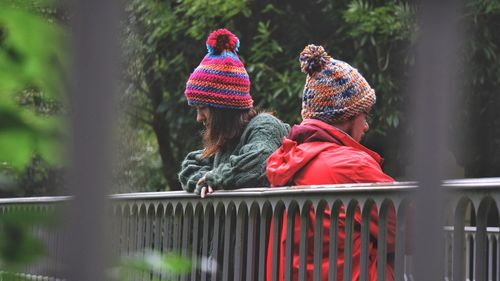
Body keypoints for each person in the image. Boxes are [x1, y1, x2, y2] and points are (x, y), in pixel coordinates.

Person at [266, 45, 396, 281]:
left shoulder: (288, 161)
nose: (366, 126)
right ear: (346, 117)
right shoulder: (352, 166)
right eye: (364, 115)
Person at [178, 28, 290, 197]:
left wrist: (217, 178)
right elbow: (191, 165)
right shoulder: (228, 139)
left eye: (202, 108)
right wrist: (203, 180)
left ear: (223, 108)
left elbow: (260, 160)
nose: (199, 118)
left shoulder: (265, 126)